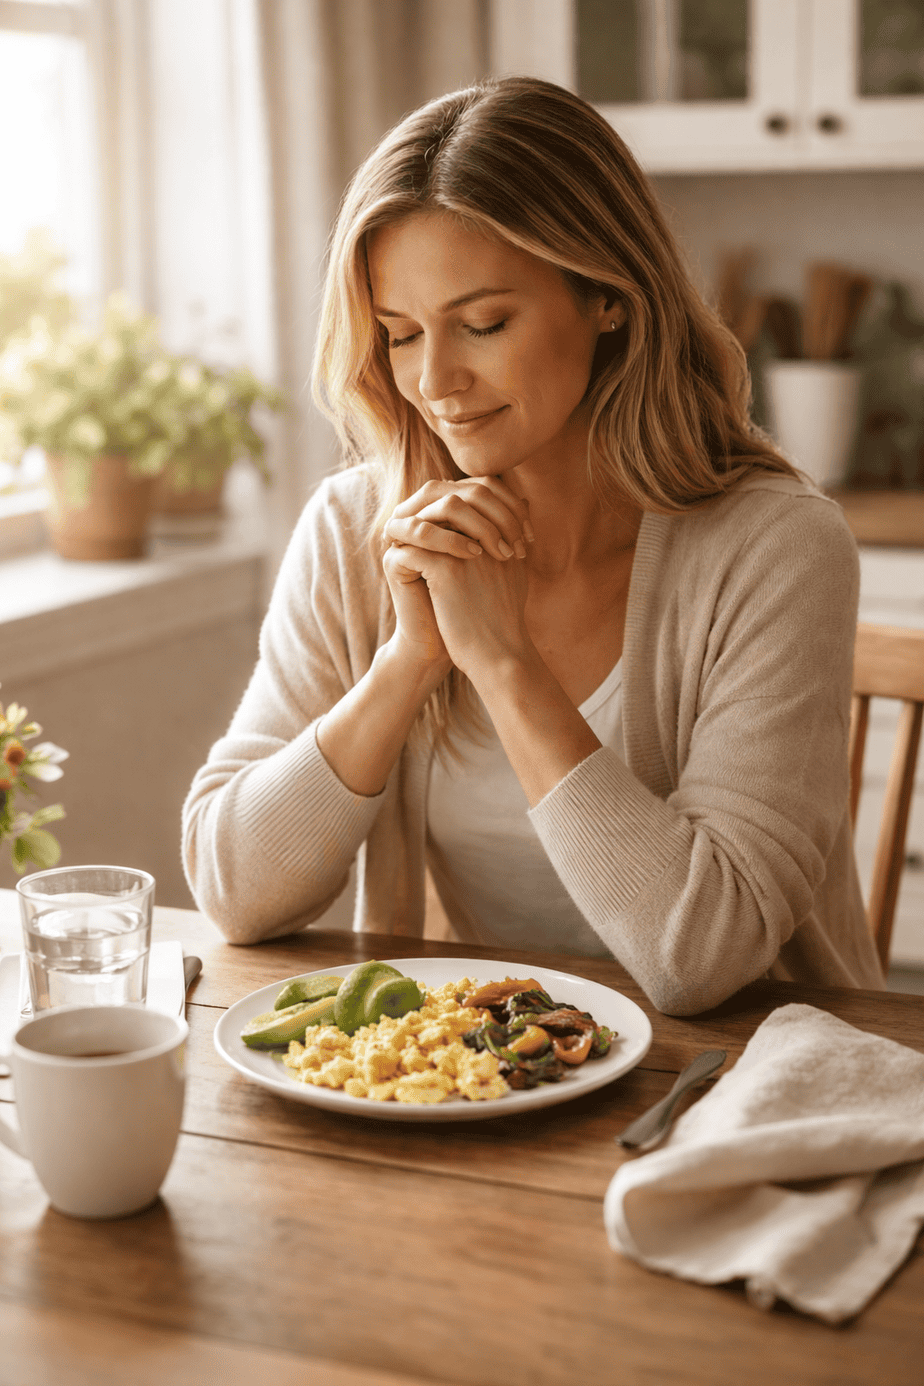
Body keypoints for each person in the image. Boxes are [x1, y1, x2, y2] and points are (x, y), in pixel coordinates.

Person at [182, 76, 884, 1014]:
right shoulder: (358, 530)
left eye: (483, 324)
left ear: (608, 296)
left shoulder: (776, 545)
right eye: (398, 335)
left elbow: (702, 955)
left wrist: (503, 661)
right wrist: (408, 660)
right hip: (477, 1082)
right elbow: (231, 890)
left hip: (734, 1089)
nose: (435, 380)